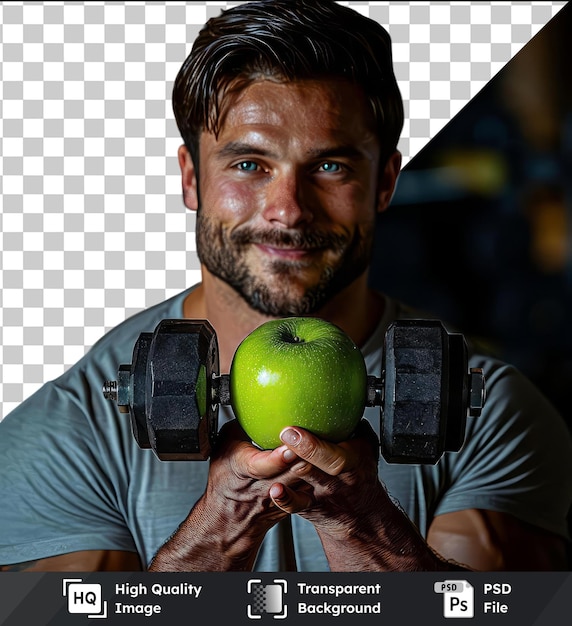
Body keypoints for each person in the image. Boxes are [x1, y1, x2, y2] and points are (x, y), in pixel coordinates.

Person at [1, 0, 571, 573]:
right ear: (192, 178)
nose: (288, 211)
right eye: (249, 165)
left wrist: (364, 528)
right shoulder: (69, 431)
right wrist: (219, 531)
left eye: (330, 167)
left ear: (385, 183)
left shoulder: (492, 411)